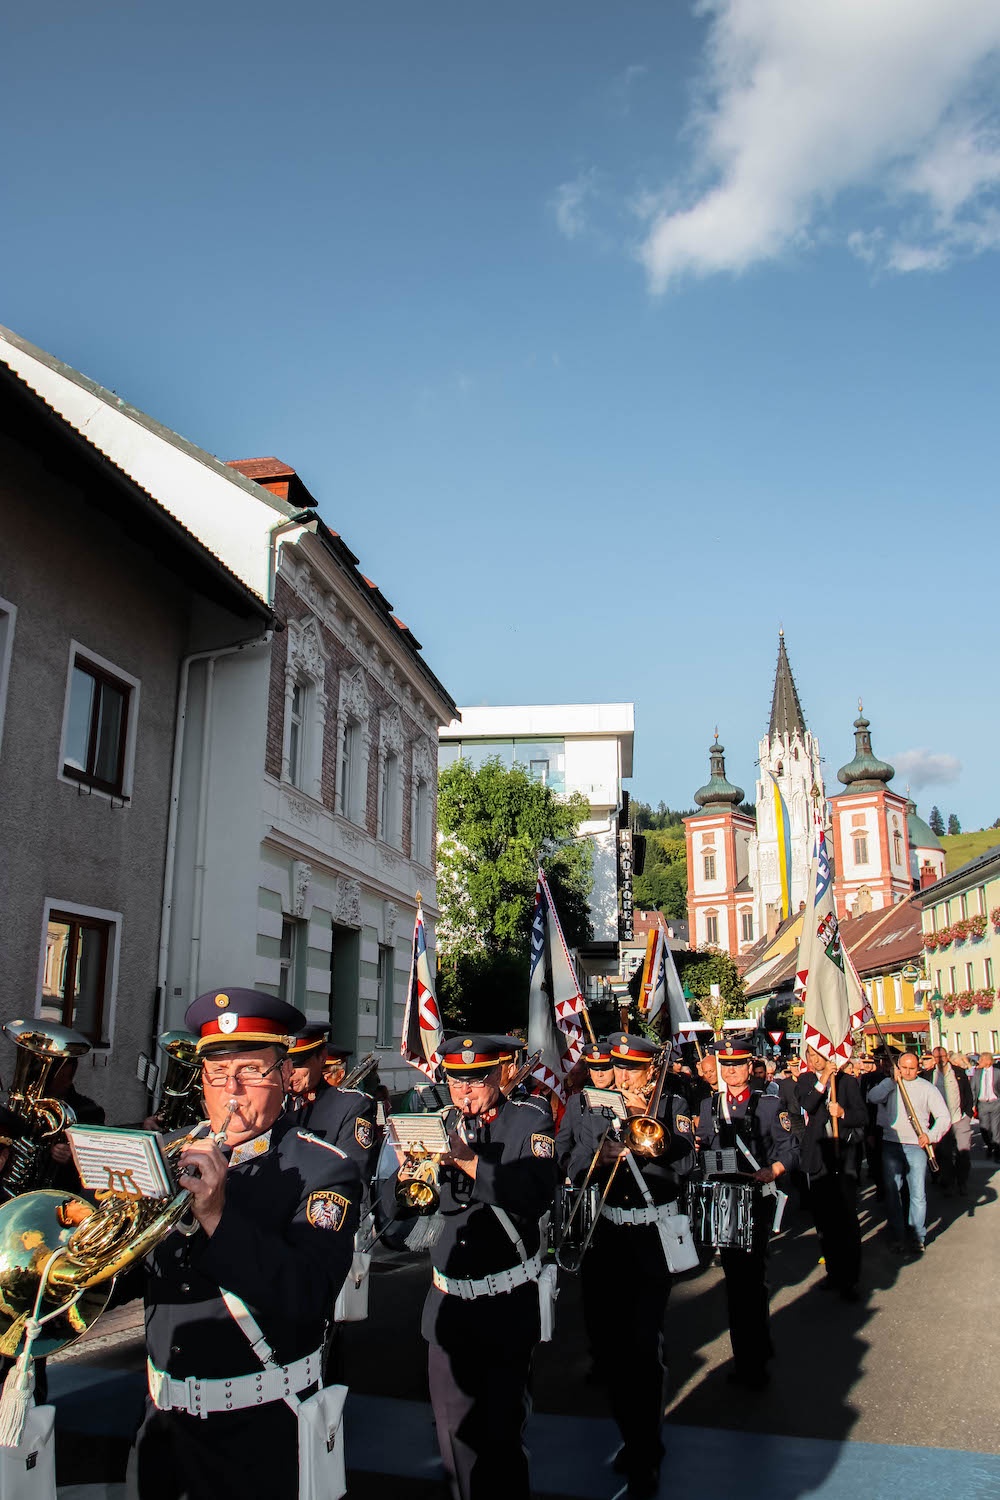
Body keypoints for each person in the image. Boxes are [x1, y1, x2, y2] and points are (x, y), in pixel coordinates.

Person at [133, 989, 360, 1500]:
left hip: (260, 1430)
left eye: (251, 1071)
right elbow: (138, 1277)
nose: (231, 1089)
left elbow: (308, 1298)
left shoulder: (324, 1169)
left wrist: (216, 1215)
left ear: (282, 1075)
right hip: (161, 1427)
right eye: (217, 1073)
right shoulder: (171, 1153)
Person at [382, 1035, 555, 1500]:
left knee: (500, 1435)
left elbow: (535, 1194)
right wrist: (403, 1173)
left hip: (505, 1302)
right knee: (452, 1435)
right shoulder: (438, 1121)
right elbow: (394, 1215)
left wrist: (467, 1160)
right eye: (456, 1081)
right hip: (446, 1301)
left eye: (476, 1080)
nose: (464, 1092)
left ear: (499, 1075)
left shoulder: (528, 1119)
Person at [568, 1034, 696, 1498]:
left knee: (643, 1349)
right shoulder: (595, 1107)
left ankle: (645, 1451)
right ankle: (633, 1434)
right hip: (606, 1237)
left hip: (650, 1238)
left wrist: (650, 1121)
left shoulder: (673, 1101)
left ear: (649, 1071)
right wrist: (597, 1155)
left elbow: (685, 1165)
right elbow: (572, 1161)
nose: (622, 1077)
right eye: (618, 1068)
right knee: (610, 1349)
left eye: (632, 1069)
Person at [695, 1040, 798, 1388]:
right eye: (726, 1066)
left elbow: (790, 1149)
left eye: (737, 1065)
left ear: (748, 1067)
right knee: (737, 1283)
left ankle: (752, 1364)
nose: (731, 1072)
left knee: (749, 1282)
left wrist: (774, 1170)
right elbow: (707, 1150)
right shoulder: (711, 1105)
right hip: (725, 1198)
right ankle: (753, 1352)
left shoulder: (769, 1104)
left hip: (756, 1198)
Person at [796, 1049, 867, 1300]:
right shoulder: (805, 1081)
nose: (815, 1060)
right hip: (818, 1159)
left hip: (843, 1158)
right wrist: (823, 1078)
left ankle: (850, 1280)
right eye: (811, 1055)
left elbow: (862, 1116)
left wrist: (843, 1114)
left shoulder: (847, 1082)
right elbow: (808, 1104)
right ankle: (833, 1273)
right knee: (824, 1223)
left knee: (847, 1221)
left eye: (820, 1055)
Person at [866, 1052, 950, 1254]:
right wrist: (891, 1082)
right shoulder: (891, 1084)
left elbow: (943, 1117)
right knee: (893, 1191)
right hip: (891, 1143)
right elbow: (872, 1097)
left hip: (916, 1146)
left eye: (912, 1068)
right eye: (904, 1067)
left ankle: (917, 1236)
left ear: (918, 1068)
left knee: (917, 1193)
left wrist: (930, 1136)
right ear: (898, 1067)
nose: (907, 1072)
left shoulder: (927, 1088)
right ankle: (898, 1233)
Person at [286, 1026, 379, 1184]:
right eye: (283, 1064)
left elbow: (353, 1175)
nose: (289, 1072)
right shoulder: (272, 1105)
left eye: (298, 1064)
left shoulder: (352, 1106)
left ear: (322, 1057)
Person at [931, 1047, 973, 1195]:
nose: (940, 1060)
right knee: (945, 1155)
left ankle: (962, 1182)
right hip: (941, 1122)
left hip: (959, 1119)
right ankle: (949, 1183)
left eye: (942, 1056)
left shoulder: (958, 1072)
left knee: (963, 1152)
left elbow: (968, 1093)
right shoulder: (930, 1075)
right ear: (933, 1058)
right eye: (937, 1057)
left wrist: (967, 1114)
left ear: (947, 1057)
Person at [969, 1051, 1000, 1160]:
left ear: (988, 1061)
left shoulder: (997, 1072)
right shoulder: (977, 1073)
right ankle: (990, 1145)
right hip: (982, 1104)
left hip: (995, 1103)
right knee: (984, 1128)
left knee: (996, 1128)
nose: (979, 1062)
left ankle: (997, 1150)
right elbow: (972, 1089)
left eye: (981, 1060)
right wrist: (972, 1104)